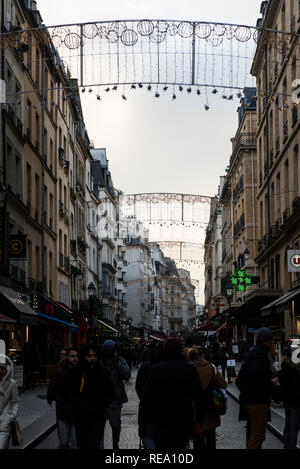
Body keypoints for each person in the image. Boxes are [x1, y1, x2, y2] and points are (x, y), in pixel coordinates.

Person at [142, 337, 205, 449]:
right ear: (180, 350)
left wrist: (143, 426)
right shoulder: (190, 370)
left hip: (161, 419)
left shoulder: (156, 370)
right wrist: (199, 421)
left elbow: (146, 399)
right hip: (183, 419)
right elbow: (199, 397)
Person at [69, 345, 116, 449]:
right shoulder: (77, 372)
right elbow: (69, 392)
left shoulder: (103, 373)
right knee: (82, 443)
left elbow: (111, 392)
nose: (92, 358)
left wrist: (102, 404)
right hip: (80, 417)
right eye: (89, 356)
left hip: (97, 417)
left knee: (94, 443)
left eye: (94, 355)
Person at [242, 327, 279, 449]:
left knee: (257, 433)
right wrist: (270, 383)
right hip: (257, 400)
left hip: (253, 398)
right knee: (257, 435)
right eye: (271, 340)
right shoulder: (259, 354)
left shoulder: (256, 352)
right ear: (265, 340)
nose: (272, 342)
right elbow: (256, 376)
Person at [188, 346, 227, 449]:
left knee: (198, 439)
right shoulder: (211, 367)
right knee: (211, 437)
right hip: (211, 407)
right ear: (202, 356)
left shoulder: (187, 369)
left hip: (194, 409)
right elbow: (223, 384)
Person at [99, 340, 131, 449]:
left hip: (115, 399)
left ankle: (115, 443)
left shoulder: (119, 360)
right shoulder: (98, 361)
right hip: (100, 399)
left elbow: (127, 374)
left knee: (115, 424)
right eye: (105, 350)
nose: (107, 352)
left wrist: (117, 364)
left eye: (109, 350)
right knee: (99, 426)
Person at [47, 347, 79, 449]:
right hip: (63, 411)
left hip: (77, 412)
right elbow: (53, 386)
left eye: (76, 356)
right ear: (67, 358)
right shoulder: (59, 370)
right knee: (64, 441)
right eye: (72, 356)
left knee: (75, 441)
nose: (75, 359)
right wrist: (51, 396)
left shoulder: (81, 371)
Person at [135, 343, 162, 449]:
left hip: (147, 407)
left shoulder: (144, 367)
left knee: (148, 434)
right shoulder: (161, 368)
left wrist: (143, 398)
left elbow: (138, 386)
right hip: (160, 408)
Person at [277, 355, 300, 449]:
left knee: (288, 424)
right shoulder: (295, 374)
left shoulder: (282, 373)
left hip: (287, 402)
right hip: (296, 403)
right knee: (294, 427)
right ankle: (291, 446)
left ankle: (286, 444)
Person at [0, 355, 19, 449]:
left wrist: (11, 416)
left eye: (2, 368)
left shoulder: (12, 384)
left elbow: (15, 402)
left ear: (7, 369)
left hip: (4, 424)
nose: (0, 371)